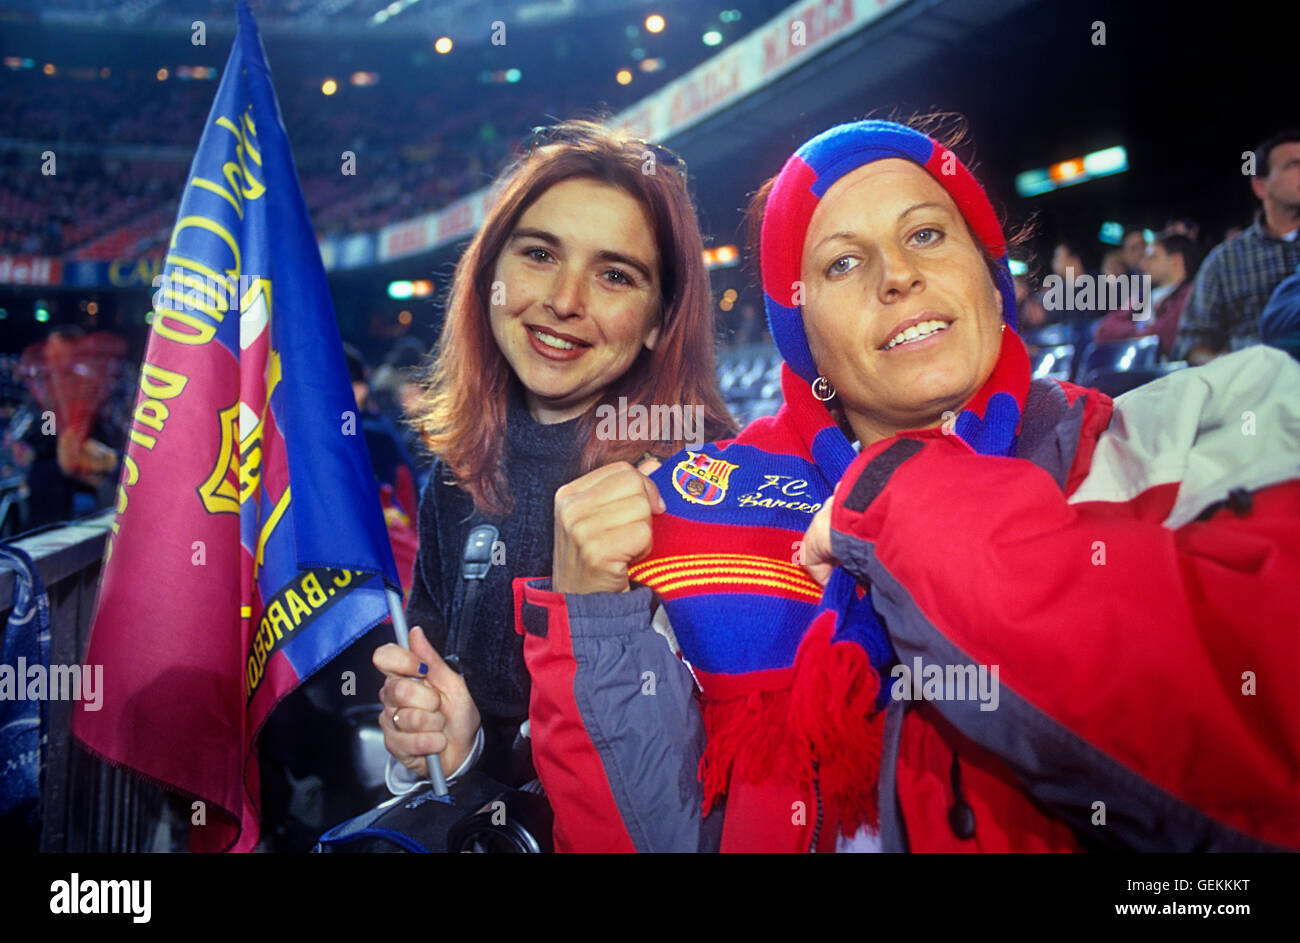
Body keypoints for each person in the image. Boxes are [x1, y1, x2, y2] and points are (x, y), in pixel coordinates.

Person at [517, 117, 1300, 853]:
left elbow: (1263, 745)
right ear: (802, 335)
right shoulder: (694, 507)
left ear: (992, 281)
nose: (899, 276)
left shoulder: (1195, 425)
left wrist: (896, 498)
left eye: (926, 233)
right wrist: (596, 627)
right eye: (843, 262)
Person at [370, 120, 734, 797]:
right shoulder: (456, 475)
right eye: (539, 254)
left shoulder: (702, 483)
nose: (564, 301)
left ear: (660, 318)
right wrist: (444, 746)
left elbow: (709, 789)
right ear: (490, 274)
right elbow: (448, 730)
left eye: (615, 274)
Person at [1175, 130, 1300, 364]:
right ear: (1261, 187)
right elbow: (1192, 341)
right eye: (1293, 165)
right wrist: (1227, 367)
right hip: (1255, 386)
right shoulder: (1225, 260)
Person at [1093, 231, 1201, 357]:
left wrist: (1138, 332)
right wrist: (1139, 329)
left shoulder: (1189, 295)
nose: (1143, 264)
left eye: (1153, 257)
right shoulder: (1144, 295)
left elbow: (1165, 336)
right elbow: (1104, 330)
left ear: (1176, 260)